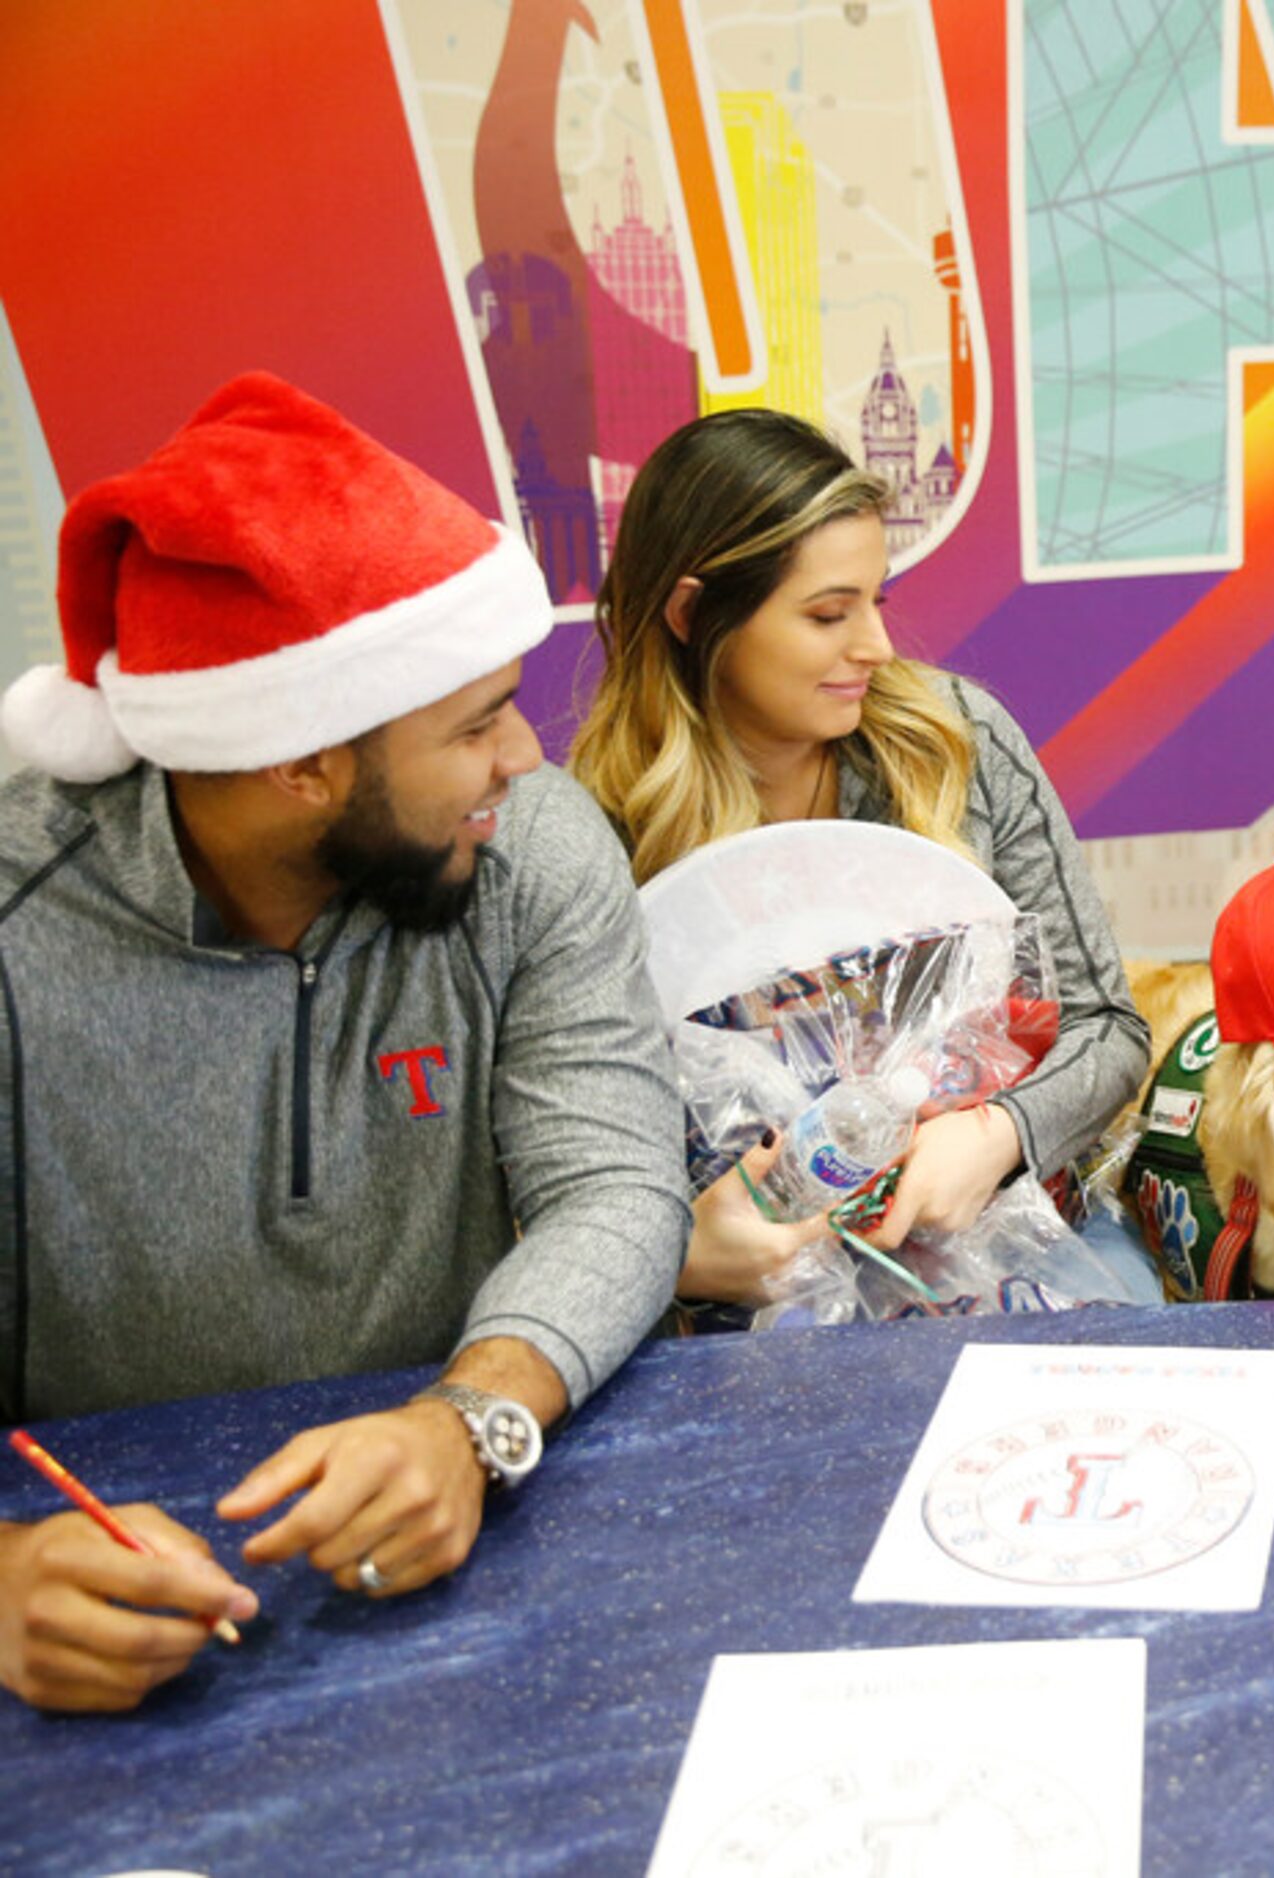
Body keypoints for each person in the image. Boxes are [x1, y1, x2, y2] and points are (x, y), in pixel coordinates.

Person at [0, 373, 690, 1711]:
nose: (523, 761)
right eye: (474, 721)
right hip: (118, 1608)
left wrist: (474, 1418)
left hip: (474, 1541)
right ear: (299, 762)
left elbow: (613, 1183)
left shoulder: (533, 853)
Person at [570, 409, 1158, 1309]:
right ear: (692, 614)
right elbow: (575, 1163)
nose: (877, 648)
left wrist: (996, 1137)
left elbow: (1107, 1029)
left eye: (876, 600)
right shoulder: (597, 839)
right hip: (759, 1317)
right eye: (826, 614)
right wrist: (681, 1249)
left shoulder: (956, 744)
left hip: (1027, 1248)